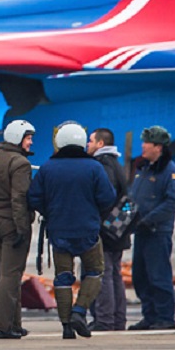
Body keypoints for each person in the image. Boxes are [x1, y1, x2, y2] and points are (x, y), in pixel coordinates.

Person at [27, 121, 116, 339]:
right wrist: (94, 214)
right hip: (88, 231)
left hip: (59, 232)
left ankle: (66, 326)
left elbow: (34, 197)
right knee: (95, 272)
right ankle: (80, 311)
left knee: (63, 277)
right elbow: (108, 198)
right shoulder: (94, 167)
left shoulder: (48, 167)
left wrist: (51, 213)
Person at [0, 119, 36, 340]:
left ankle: (14, 323)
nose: (30, 142)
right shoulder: (20, 164)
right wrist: (22, 227)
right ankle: (1, 326)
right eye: (28, 138)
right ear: (18, 138)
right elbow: (19, 198)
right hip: (12, 222)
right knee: (10, 275)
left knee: (9, 273)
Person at [128, 125, 175, 331]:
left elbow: (173, 202)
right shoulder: (144, 170)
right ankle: (149, 316)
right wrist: (119, 222)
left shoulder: (171, 172)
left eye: (147, 143)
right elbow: (132, 199)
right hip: (141, 232)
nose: (143, 146)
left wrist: (149, 220)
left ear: (158, 147)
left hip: (157, 233)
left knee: (158, 275)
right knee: (140, 276)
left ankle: (165, 317)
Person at [87, 127, 130, 331]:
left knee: (103, 274)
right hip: (117, 226)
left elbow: (106, 195)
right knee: (114, 274)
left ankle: (105, 320)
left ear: (100, 144)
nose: (88, 145)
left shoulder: (102, 165)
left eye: (91, 141)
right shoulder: (116, 163)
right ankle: (118, 319)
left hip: (105, 228)